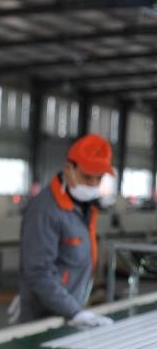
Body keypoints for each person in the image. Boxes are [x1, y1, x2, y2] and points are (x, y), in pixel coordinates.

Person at [15, 133, 115, 326]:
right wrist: (75, 312)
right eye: (87, 177)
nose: (93, 184)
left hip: (68, 312)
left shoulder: (85, 206)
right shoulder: (45, 210)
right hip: (45, 318)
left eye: (99, 178)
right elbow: (38, 272)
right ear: (69, 168)